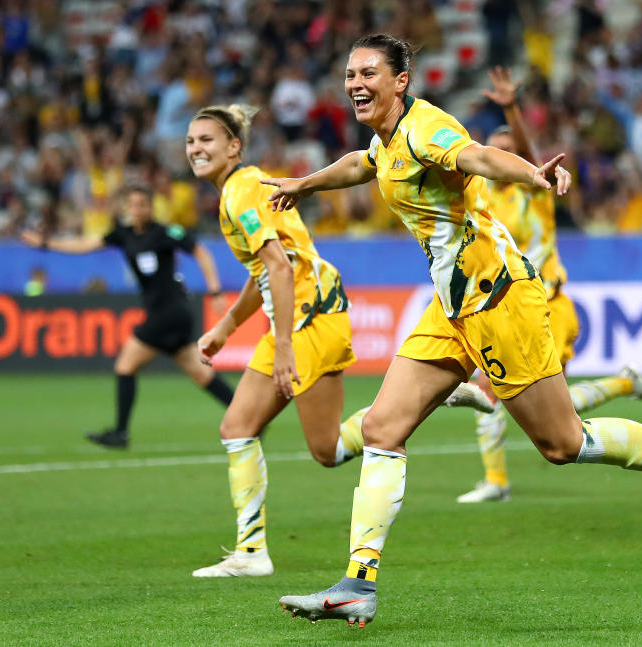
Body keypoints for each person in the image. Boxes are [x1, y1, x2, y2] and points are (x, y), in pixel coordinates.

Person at [263, 34, 642, 628]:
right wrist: (304, 184)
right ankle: (358, 583)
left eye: (368, 72)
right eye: (350, 74)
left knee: (564, 445)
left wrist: (531, 173)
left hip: (500, 300)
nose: (355, 83)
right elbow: (361, 164)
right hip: (452, 308)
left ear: (401, 80)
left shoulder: (427, 129)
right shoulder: (388, 140)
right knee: (381, 426)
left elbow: (478, 156)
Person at [184, 104, 492, 579]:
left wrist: (283, 345)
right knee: (243, 429)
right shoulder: (242, 188)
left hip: (310, 318)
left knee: (320, 449)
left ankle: (432, 391)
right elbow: (266, 268)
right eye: (190, 142)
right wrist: (227, 328)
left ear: (233, 147)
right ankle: (250, 553)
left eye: (206, 140)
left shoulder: (239, 194)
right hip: (301, 316)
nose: (196, 149)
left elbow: (281, 268)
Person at [458, 67, 642, 504]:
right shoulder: (478, 195)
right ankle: (623, 383)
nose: (502, 158)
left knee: (498, 390)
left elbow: (531, 154)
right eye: (495, 152)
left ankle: (496, 482)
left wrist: (511, 109)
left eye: (509, 151)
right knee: (555, 410)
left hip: (549, 303)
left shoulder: (532, 188)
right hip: (505, 307)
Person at [21, 185, 235, 449]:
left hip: (172, 311)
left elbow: (201, 252)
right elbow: (86, 244)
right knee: (201, 375)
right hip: (164, 313)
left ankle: (120, 433)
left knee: (125, 366)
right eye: (133, 205)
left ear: (150, 207)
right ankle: (248, 414)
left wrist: (214, 290)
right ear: (126, 208)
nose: (138, 210)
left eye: (142, 204)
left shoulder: (166, 232)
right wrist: (46, 244)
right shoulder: (123, 234)